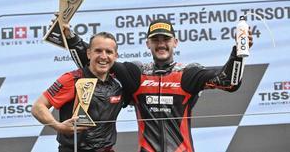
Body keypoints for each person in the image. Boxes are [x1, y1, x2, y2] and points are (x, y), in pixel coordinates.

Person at [65, 19, 253, 152]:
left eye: (166, 40)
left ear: (175, 42)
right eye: (156, 40)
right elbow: (96, 63)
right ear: (147, 44)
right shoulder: (136, 72)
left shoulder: (188, 73)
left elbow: (229, 82)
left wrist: (238, 53)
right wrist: (70, 36)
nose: (161, 44)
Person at [32, 32, 126, 152]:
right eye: (98, 51)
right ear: (88, 53)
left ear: (115, 56)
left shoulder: (119, 83)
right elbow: (38, 107)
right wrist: (59, 126)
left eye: (108, 52)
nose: (103, 56)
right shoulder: (71, 79)